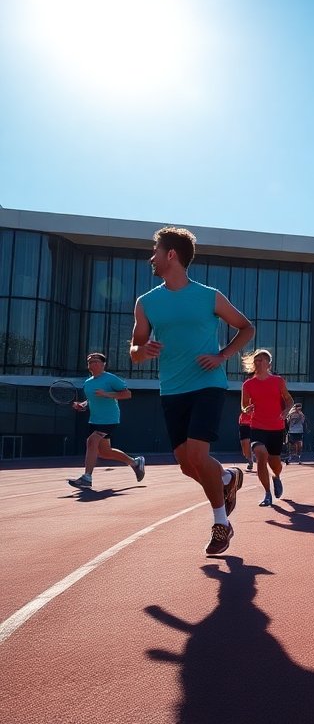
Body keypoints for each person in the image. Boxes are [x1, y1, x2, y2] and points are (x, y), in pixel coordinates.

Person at [129, 226, 253, 555]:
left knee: (198, 456)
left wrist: (223, 355)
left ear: (172, 255)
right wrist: (141, 352)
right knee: (186, 464)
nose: (150, 258)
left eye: (155, 251)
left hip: (207, 384)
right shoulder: (147, 302)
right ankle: (228, 479)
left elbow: (246, 327)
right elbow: (135, 347)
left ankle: (220, 524)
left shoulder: (208, 296)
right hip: (172, 390)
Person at [66, 352, 146, 490]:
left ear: (104, 364)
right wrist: (82, 405)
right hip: (94, 420)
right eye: (90, 362)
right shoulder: (88, 383)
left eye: (96, 361)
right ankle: (135, 463)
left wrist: (107, 394)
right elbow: (91, 400)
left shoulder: (110, 379)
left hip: (110, 419)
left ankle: (87, 478)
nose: (93, 363)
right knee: (104, 452)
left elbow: (127, 394)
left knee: (91, 441)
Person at [241, 349, 293, 508]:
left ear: (268, 364)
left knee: (275, 462)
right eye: (256, 360)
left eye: (262, 360)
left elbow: (289, 400)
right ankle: (267, 493)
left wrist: (286, 411)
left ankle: (276, 477)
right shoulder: (248, 384)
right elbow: (243, 405)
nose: (258, 362)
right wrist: (246, 409)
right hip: (257, 425)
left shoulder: (278, 381)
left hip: (276, 427)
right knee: (261, 455)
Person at [238, 406, 255, 471]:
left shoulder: (253, 406)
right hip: (242, 426)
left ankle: (250, 461)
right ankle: (249, 459)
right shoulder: (244, 405)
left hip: (249, 426)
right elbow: (244, 409)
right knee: (244, 447)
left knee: (247, 443)